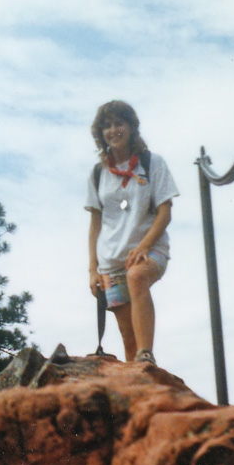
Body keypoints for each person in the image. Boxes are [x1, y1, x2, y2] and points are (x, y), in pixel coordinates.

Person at [85, 101, 179, 365]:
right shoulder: (97, 173)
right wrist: (93, 269)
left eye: (119, 123)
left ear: (131, 127)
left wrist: (144, 246)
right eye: (107, 125)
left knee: (137, 276)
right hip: (111, 262)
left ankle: (147, 354)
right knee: (128, 338)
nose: (114, 130)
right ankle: (140, 391)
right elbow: (95, 224)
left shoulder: (152, 163)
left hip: (149, 250)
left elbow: (165, 211)